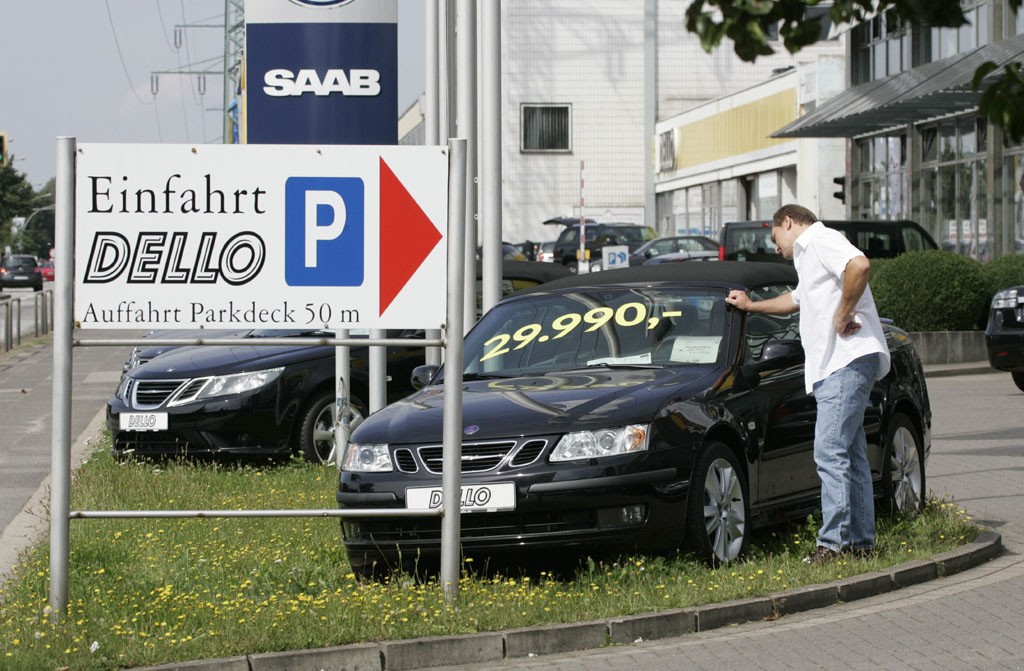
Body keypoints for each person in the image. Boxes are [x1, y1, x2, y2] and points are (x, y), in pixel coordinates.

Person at [724, 204, 891, 564]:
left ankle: (832, 545)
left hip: (843, 362)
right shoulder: (808, 254)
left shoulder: (819, 239)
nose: (775, 248)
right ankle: (861, 545)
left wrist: (843, 314)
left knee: (829, 453)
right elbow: (795, 300)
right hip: (839, 365)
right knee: (850, 455)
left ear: (788, 222)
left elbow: (859, 265)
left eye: (775, 238)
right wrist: (751, 306)